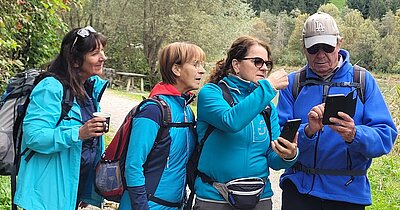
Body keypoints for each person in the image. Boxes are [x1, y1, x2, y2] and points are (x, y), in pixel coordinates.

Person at [277, 12, 398, 210]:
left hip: (348, 194)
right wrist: (308, 132)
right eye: (314, 48)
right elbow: (279, 138)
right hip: (299, 191)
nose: (321, 54)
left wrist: (354, 134)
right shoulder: (293, 84)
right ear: (304, 48)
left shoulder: (362, 81)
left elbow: (385, 137)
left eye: (327, 47)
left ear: (339, 43)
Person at [194, 35, 298, 210]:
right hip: (215, 197)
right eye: (257, 61)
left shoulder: (266, 106)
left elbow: (273, 159)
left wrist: (288, 156)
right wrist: (269, 87)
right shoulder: (211, 93)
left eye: (267, 63)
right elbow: (230, 121)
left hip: (260, 198)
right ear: (236, 65)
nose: (264, 68)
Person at [14, 26, 108, 210]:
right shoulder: (50, 88)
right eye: (95, 53)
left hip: (71, 188)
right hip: (45, 195)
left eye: (102, 51)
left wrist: (86, 190)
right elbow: (34, 136)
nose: (103, 57)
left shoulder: (88, 89)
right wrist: (78, 133)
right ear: (74, 60)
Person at [118, 42, 206, 210]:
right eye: (196, 64)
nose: (201, 70)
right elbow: (133, 165)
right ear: (176, 69)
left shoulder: (187, 110)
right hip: (147, 205)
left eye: (202, 65)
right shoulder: (152, 110)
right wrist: (140, 206)